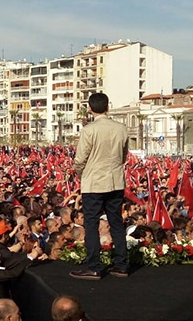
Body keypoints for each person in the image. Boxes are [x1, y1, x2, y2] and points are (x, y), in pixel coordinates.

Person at [71, 92, 129, 280]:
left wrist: (82, 174)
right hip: (115, 181)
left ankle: (94, 266)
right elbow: (124, 155)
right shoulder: (121, 128)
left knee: (91, 223)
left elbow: (80, 159)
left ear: (89, 108)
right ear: (108, 107)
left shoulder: (89, 130)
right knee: (116, 223)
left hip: (94, 183)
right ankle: (121, 265)